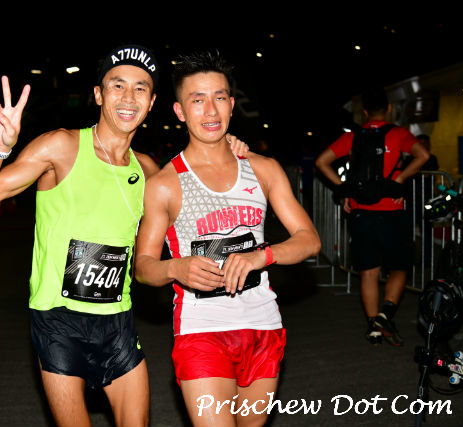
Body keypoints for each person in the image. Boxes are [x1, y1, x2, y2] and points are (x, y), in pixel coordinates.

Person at [0, 44, 250, 427]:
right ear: (98, 94)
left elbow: (201, 211)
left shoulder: (148, 171)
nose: (128, 98)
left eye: (140, 88)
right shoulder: (62, 147)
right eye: (118, 86)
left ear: (151, 103)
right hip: (58, 320)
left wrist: (226, 148)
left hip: (117, 322)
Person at [134, 50, 320, 427]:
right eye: (197, 100)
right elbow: (143, 267)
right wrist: (176, 268)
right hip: (201, 330)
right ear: (179, 111)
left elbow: (309, 240)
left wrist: (261, 256)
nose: (210, 110)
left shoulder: (263, 169)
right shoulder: (164, 184)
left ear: (232, 105)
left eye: (219, 97)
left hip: (263, 325)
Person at [315, 88, 429, 346]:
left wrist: (344, 190)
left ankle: (373, 329)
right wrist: (399, 180)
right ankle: (385, 315)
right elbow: (422, 155)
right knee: (400, 267)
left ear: (365, 111)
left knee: (369, 271)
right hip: (391, 211)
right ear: (388, 108)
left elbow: (322, 162)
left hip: (361, 212)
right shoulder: (398, 134)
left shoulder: (353, 137)